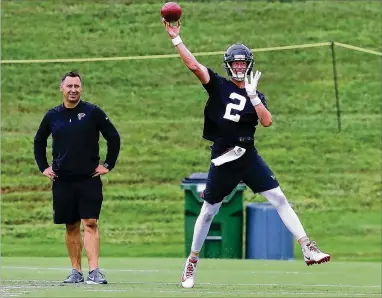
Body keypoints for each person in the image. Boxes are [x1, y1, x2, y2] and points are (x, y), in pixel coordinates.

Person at [162, 21, 331, 289]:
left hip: (247, 154)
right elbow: (194, 66)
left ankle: (307, 246)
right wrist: (176, 39)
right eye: (235, 63)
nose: (239, 67)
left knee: (278, 197)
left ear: (249, 65)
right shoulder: (218, 85)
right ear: (229, 65)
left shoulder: (257, 93)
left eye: (243, 63)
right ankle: (192, 261)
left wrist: (253, 96)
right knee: (208, 212)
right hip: (225, 155)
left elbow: (266, 121)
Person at [34, 71, 120, 284]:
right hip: (62, 180)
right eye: (69, 86)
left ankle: (94, 271)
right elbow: (39, 141)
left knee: (90, 222)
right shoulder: (52, 115)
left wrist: (108, 165)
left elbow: (113, 137)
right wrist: (44, 167)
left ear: (81, 89)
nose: (73, 90)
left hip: (88, 178)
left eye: (77, 86)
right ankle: (76, 272)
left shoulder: (92, 112)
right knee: (71, 225)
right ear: (61, 88)